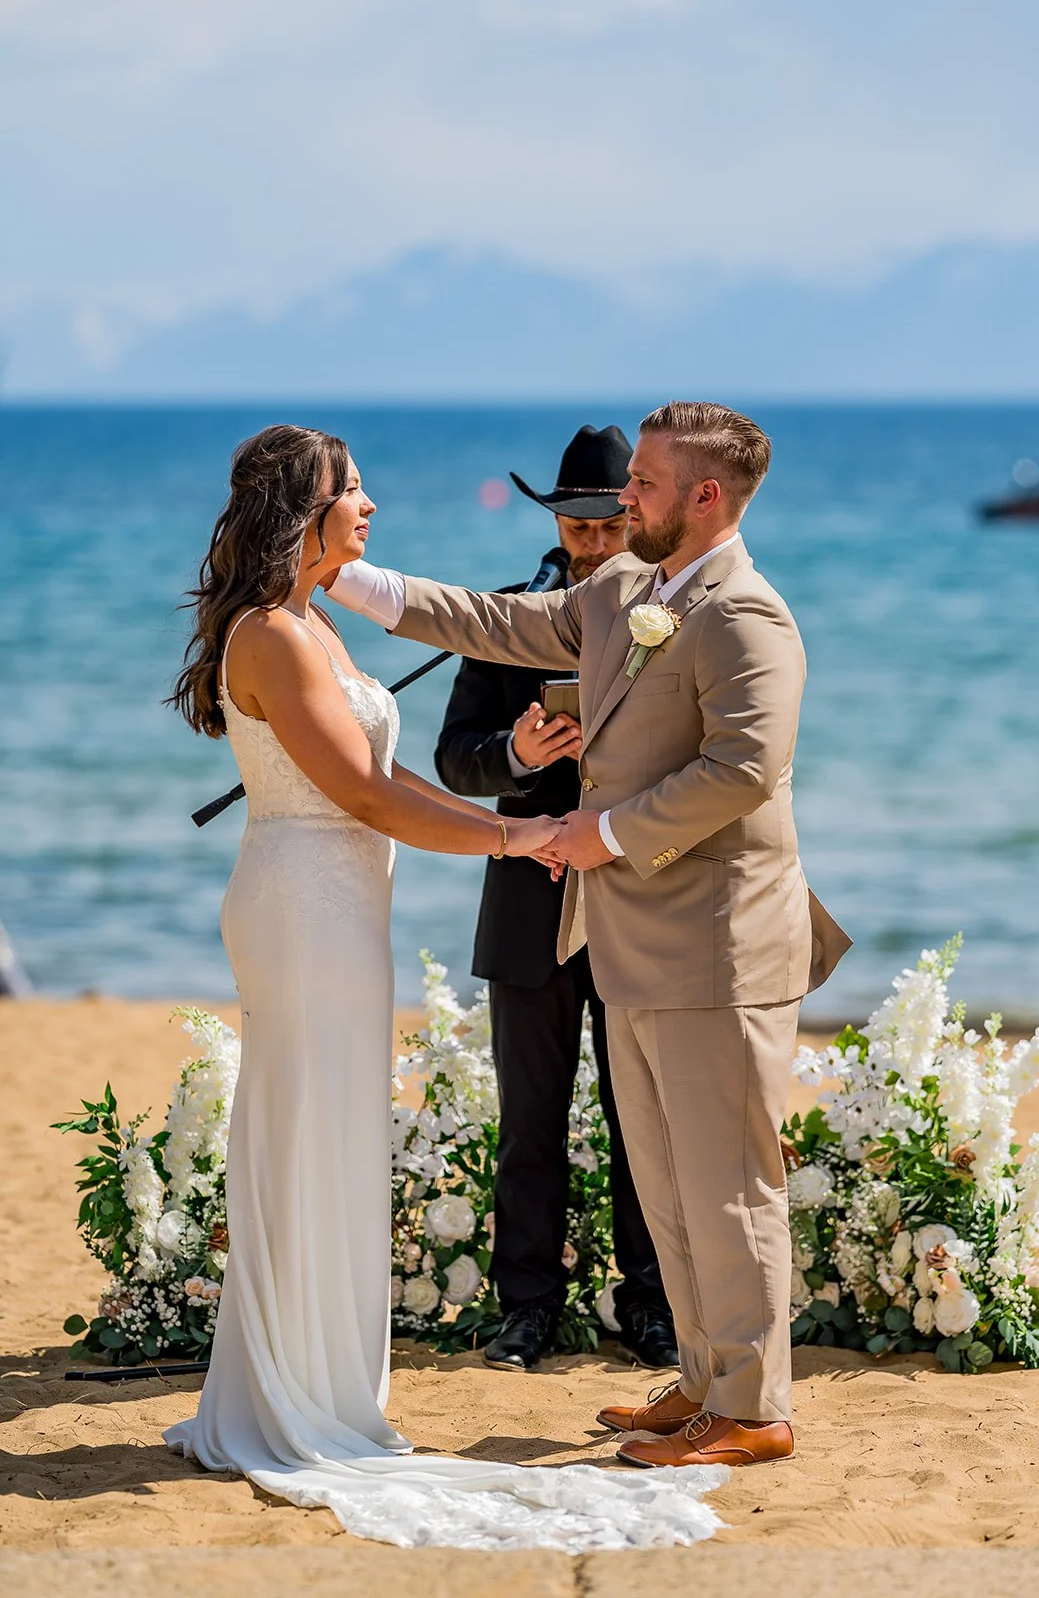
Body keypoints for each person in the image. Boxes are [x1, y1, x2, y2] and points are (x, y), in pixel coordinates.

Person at [163, 423, 727, 1550]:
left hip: (337, 904)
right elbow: (371, 796)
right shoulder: (272, 634)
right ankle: (289, 1395)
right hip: (306, 902)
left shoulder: (310, 621)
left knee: (332, 1130)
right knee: (307, 1124)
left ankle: (315, 1377)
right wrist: (518, 837)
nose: (369, 506)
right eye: (351, 491)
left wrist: (519, 818)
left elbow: (384, 779)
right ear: (301, 509)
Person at [329, 401, 852, 1470]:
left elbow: (741, 771)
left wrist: (597, 830)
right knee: (665, 1177)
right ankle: (704, 1380)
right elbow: (486, 621)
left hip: (716, 943)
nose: (623, 501)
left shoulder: (746, 614)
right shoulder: (621, 591)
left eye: (645, 484)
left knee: (726, 1179)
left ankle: (752, 1405)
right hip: (632, 941)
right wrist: (334, 576)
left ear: (705, 497)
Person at [434, 425, 676, 1372]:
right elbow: (456, 759)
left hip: (635, 902)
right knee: (529, 1121)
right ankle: (526, 1310)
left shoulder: (672, 611)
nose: (589, 542)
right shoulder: (502, 618)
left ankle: (649, 1303)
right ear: (554, 521)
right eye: (573, 524)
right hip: (529, 905)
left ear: (634, 515)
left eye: (605, 522)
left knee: (642, 1119)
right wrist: (516, 759)